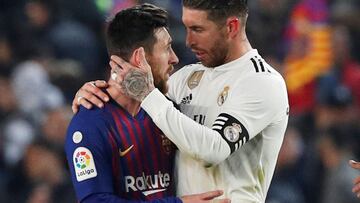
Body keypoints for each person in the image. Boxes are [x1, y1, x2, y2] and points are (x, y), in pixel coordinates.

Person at [74, 0, 289, 202]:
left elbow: (214, 150)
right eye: (186, 28)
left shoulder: (261, 81)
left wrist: (148, 94)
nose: (188, 41)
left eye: (197, 29)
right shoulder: (184, 79)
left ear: (231, 27)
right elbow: (138, 106)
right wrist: (97, 94)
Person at [65, 3, 229, 203]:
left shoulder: (167, 112)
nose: (175, 58)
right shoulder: (89, 124)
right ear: (140, 58)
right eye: (167, 48)